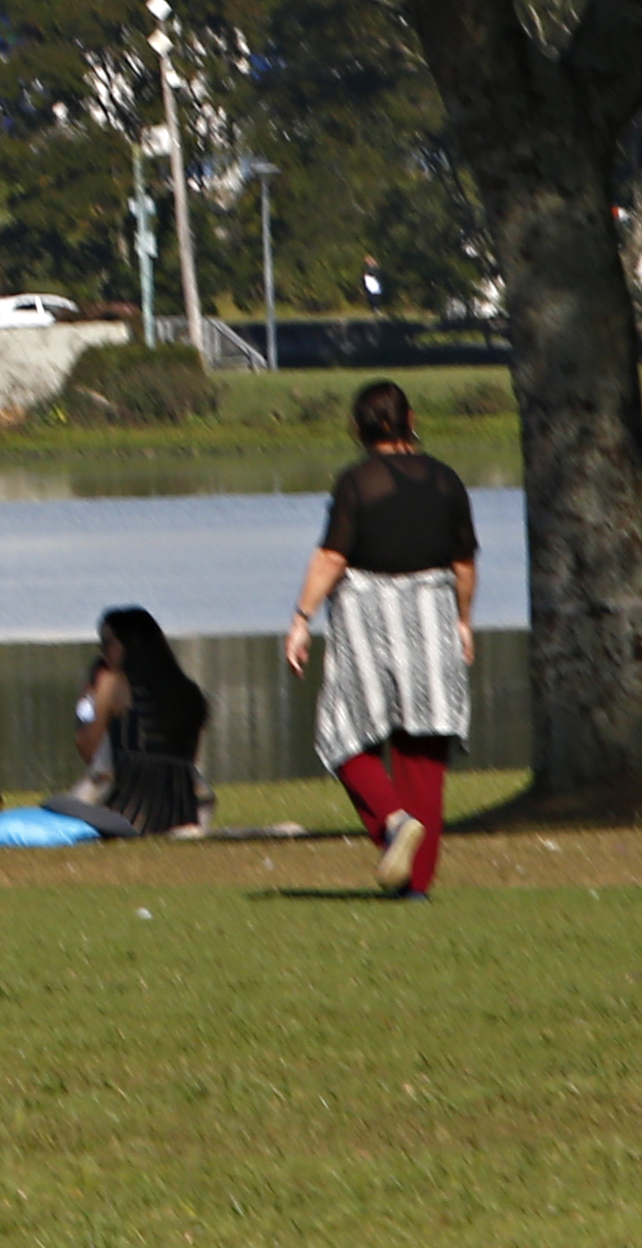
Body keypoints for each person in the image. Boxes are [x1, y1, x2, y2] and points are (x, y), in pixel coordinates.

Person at [285, 380, 474, 897]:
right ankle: (415, 887)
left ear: (357, 429)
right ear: (411, 418)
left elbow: (332, 557)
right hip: (434, 611)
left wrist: (302, 618)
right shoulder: (445, 480)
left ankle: (392, 821)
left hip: (368, 615)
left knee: (341, 732)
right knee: (424, 753)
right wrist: (463, 621)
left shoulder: (355, 482)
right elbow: (463, 563)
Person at [64, 605, 211, 839]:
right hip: (182, 811)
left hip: (127, 811)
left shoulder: (113, 683)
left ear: (129, 644)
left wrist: (87, 699)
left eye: (107, 643)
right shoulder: (188, 692)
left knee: (56, 806)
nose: (103, 652)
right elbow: (187, 758)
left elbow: (88, 750)